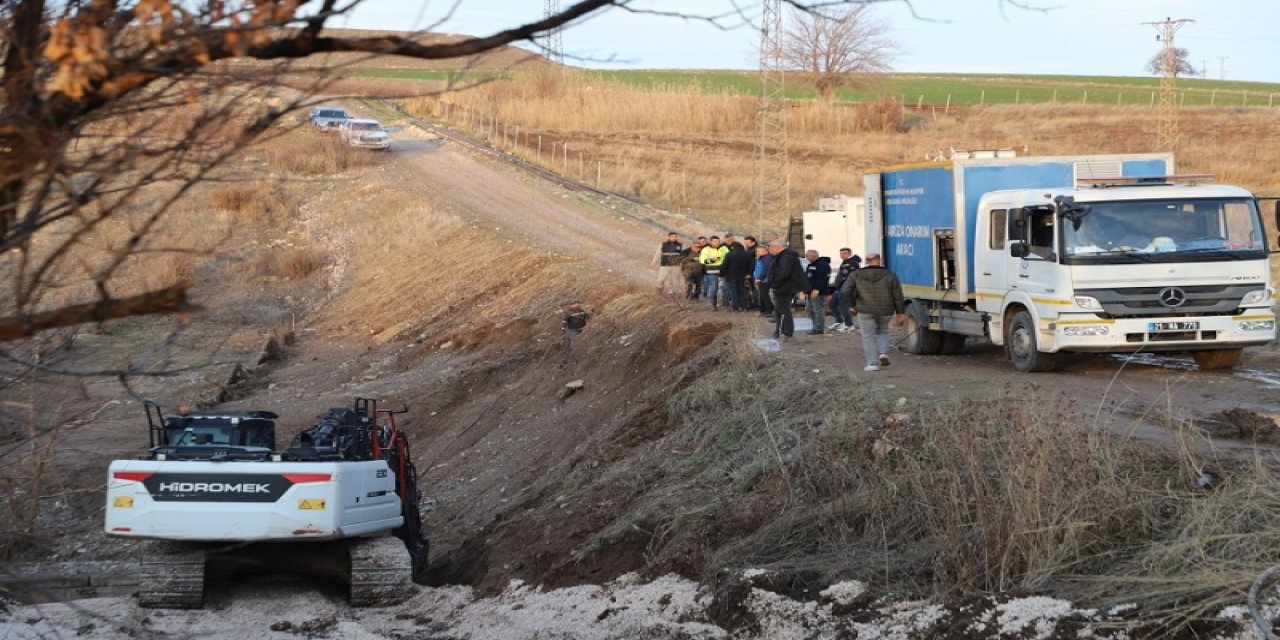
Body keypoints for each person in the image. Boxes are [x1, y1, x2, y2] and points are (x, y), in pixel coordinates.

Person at [840, 253, 904, 372]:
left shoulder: (856, 274)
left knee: (868, 336)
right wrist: (900, 311)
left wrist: (852, 305)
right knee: (883, 331)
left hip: (865, 309)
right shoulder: (890, 274)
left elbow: (845, 291)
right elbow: (898, 294)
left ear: (866, 261)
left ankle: (872, 363)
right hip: (886, 309)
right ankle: (883, 353)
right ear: (880, 260)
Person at [767, 240, 809, 340]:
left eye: (771, 247)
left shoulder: (787, 257)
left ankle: (786, 333)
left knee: (783, 310)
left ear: (778, 247)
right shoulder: (782, 256)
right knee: (779, 310)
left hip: (784, 287)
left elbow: (783, 273)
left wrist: (775, 284)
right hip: (782, 287)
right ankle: (780, 331)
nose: (769, 249)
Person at [828, 248, 860, 332]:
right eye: (841, 254)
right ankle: (840, 321)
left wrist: (848, 289)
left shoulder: (853, 263)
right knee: (832, 304)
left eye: (844, 253)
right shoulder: (844, 263)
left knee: (844, 307)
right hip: (838, 288)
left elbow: (852, 277)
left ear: (849, 254)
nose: (842, 255)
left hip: (845, 289)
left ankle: (849, 325)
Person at [804, 249, 832, 335]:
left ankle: (818, 328)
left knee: (817, 310)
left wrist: (817, 289)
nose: (807, 258)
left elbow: (822, 278)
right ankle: (816, 326)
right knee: (810, 309)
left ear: (814, 256)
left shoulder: (822, 264)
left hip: (818, 292)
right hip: (810, 291)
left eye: (808, 256)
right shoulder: (811, 264)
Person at [722, 238, 753, 311]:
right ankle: (744, 306)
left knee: (733, 291)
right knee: (742, 291)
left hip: (731, 276)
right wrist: (749, 273)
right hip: (743, 275)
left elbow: (725, 265)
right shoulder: (747, 254)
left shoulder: (729, 254)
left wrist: (721, 274)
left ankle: (736, 307)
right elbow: (751, 265)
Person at [699, 236, 729, 310]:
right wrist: (712, 260)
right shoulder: (706, 249)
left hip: (724, 270)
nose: (717, 243)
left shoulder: (724, 248)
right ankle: (713, 305)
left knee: (725, 286)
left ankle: (725, 303)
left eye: (718, 241)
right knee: (714, 287)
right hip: (712, 270)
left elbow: (729, 257)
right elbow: (702, 260)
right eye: (715, 241)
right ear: (711, 242)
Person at [652, 231, 684, 298]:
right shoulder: (663, 244)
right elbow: (658, 253)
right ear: (669, 237)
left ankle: (674, 295)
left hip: (676, 266)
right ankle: (658, 293)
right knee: (660, 279)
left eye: (675, 236)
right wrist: (654, 262)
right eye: (673, 237)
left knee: (675, 281)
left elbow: (683, 256)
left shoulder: (680, 245)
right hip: (665, 265)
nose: (674, 238)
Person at [752, 244, 774, 317]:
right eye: (756, 251)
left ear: (765, 251)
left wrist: (759, 278)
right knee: (762, 295)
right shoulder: (762, 258)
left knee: (764, 296)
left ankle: (768, 311)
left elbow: (766, 269)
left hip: (764, 280)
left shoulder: (767, 258)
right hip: (761, 280)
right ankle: (764, 310)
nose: (757, 253)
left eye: (758, 251)